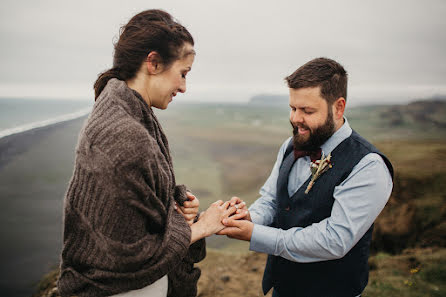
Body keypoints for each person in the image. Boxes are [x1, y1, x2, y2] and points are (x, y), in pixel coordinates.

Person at [58, 9, 236, 297]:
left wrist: (174, 205)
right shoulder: (123, 134)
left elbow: (132, 204)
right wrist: (201, 226)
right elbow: (130, 257)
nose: (183, 87)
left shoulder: (125, 112)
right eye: (182, 73)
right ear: (153, 62)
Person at [219, 57, 394, 297]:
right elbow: (271, 200)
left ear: (338, 107)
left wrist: (255, 234)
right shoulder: (290, 146)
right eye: (292, 108)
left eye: (307, 111)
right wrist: (250, 217)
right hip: (282, 288)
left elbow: (335, 239)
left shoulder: (368, 165)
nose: (295, 118)